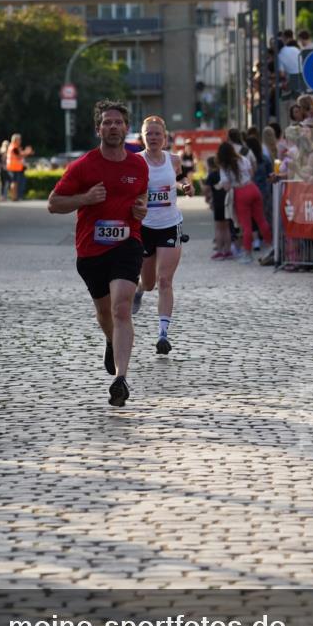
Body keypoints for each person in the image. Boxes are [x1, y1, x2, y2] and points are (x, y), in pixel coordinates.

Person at [47, 100, 148, 407]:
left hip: (127, 244)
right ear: (98, 128)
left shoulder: (137, 165)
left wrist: (141, 210)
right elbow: (54, 203)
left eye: (118, 122)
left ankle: (120, 379)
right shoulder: (84, 166)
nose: (113, 127)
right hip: (91, 250)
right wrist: (85, 198)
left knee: (121, 308)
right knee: (106, 313)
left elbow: (141, 197)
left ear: (126, 128)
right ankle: (110, 340)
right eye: (107, 122)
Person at [131, 115, 192, 354]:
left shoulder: (174, 160)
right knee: (148, 283)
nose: (153, 138)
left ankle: (163, 334)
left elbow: (181, 177)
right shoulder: (135, 162)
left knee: (165, 281)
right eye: (149, 134)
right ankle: (138, 290)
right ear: (142, 138)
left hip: (170, 224)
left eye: (157, 134)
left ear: (164, 138)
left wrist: (186, 185)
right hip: (144, 228)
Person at [216, 140, 271, 263]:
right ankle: (270, 246)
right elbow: (252, 173)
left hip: (240, 193)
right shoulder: (243, 159)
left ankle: (247, 253)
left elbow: (226, 186)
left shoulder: (224, 166)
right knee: (261, 220)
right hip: (253, 188)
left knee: (246, 226)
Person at [6, 133, 34, 201]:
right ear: (15, 140)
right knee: (14, 183)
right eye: (19, 139)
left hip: (14, 167)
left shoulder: (14, 147)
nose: (20, 141)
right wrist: (28, 152)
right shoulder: (14, 147)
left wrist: (27, 152)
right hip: (13, 167)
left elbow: (20, 155)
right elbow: (19, 155)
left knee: (15, 182)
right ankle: (14, 197)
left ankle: (14, 197)